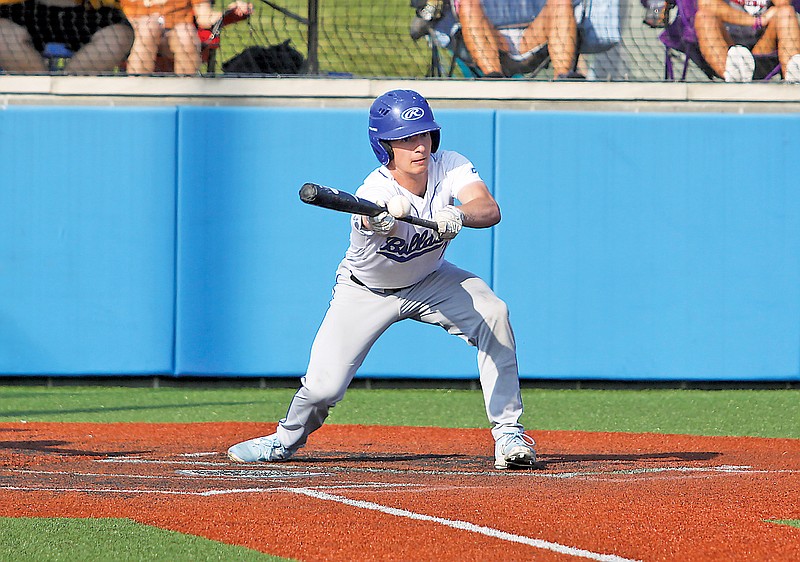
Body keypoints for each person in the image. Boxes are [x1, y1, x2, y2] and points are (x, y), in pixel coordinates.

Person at [228, 89, 537, 471]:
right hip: (365, 291)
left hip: (430, 280)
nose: (418, 146)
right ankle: (284, 439)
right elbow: (364, 216)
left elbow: (488, 208)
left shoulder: (451, 165)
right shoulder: (374, 191)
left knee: (494, 312)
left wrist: (457, 214)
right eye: (405, 139)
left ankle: (508, 434)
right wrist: (378, 222)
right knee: (324, 388)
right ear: (385, 145)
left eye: (422, 134)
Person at [457, 0, 583, 78]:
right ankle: (493, 77)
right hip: (493, 42)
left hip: (534, 37)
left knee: (561, 2)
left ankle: (563, 77)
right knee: (468, 4)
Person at [120, 0, 251, 74]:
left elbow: (205, 18)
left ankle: (186, 96)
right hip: (135, 34)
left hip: (173, 35)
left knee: (185, 33)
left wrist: (231, 11)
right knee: (149, 27)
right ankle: (137, 94)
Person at [0, 0, 134, 73]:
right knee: (2, 35)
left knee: (118, 36)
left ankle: (69, 92)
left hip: (90, 9)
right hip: (24, 8)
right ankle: (39, 91)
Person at [694, 0, 800, 81]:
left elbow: (783, 2)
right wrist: (757, 21)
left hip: (763, 49)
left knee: (786, 12)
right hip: (726, 48)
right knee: (704, 16)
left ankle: (794, 78)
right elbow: (706, 3)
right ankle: (732, 76)